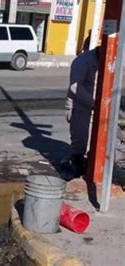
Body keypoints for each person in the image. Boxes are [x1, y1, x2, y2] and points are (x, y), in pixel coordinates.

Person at [65, 47, 100, 209]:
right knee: (80, 141)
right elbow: (75, 87)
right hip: (80, 106)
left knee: (97, 142)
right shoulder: (83, 61)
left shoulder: (105, 62)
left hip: (96, 107)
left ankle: (90, 171)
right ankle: (77, 173)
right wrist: (95, 104)